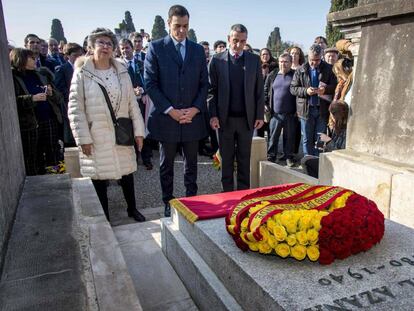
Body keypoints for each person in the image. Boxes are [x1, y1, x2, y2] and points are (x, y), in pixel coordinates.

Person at [68, 28, 146, 222]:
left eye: (109, 43)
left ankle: (132, 209)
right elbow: (75, 109)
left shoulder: (121, 71)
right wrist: (82, 138)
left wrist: (139, 132)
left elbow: (132, 104)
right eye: (100, 43)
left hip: (122, 132)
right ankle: (104, 216)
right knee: (99, 176)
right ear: (91, 47)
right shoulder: (82, 72)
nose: (105, 47)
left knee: (126, 172)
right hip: (96, 134)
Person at [144, 5, 209, 216]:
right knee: (167, 165)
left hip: (192, 118)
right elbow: (150, 83)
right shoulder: (156, 48)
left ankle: (192, 200)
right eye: (177, 26)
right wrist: (170, 110)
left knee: (191, 164)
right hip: (167, 119)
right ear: (168, 23)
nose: (182, 31)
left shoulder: (197, 50)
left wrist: (196, 108)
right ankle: (168, 201)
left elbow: (204, 84)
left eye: (186, 26)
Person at [208, 24, 264, 192]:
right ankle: (227, 193)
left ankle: (243, 193)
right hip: (224, 120)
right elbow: (211, 91)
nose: (238, 45)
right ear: (228, 39)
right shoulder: (217, 60)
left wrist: (259, 115)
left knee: (244, 159)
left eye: (242, 41)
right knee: (226, 159)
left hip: (247, 119)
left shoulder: (254, 60)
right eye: (235, 40)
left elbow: (259, 90)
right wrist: (213, 115)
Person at [10, 48, 63, 175]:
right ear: (21, 59)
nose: (36, 60)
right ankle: (35, 183)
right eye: (32, 58)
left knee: (52, 153)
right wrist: (32, 98)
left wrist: (51, 93)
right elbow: (11, 102)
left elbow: (59, 97)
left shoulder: (41, 74)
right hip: (29, 124)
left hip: (49, 119)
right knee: (32, 156)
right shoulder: (12, 77)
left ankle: (55, 178)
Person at [290, 44, 337, 157]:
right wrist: (306, 91)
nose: (314, 63)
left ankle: (318, 160)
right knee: (307, 137)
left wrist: (325, 90)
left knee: (320, 137)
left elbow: (335, 86)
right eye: (311, 60)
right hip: (306, 110)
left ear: (321, 57)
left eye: (317, 60)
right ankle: (308, 160)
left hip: (322, 109)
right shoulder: (301, 69)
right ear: (307, 57)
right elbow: (293, 88)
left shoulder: (329, 69)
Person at [119, 38, 153, 170]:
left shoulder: (142, 63)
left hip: (143, 102)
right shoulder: (118, 65)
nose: (124, 50)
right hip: (127, 104)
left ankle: (146, 158)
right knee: (129, 131)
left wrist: (143, 90)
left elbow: (149, 80)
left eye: (127, 47)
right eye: (122, 48)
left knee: (144, 129)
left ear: (132, 48)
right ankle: (132, 160)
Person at [302, 100, 349, 178]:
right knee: (306, 159)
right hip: (330, 159)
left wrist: (328, 141)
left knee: (305, 161)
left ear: (337, 115)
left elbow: (340, 153)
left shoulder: (347, 130)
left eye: (331, 114)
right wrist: (324, 145)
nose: (330, 117)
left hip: (337, 164)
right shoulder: (335, 126)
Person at [265, 53, 296, 167]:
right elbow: (265, 91)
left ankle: (288, 157)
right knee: (273, 137)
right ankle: (271, 156)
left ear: (291, 63)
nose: (283, 64)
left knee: (289, 137)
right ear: (278, 62)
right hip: (275, 114)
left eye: (286, 61)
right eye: (281, 61)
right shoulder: (272, 75)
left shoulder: (295, 75)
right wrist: (265, 104)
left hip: (290, 113)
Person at [54, 42, 84, 147]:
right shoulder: (61, 70)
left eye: (81, 55)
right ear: (67, 56)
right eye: (75, 55)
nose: (79, 57)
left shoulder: (85, 68)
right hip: (71, 107)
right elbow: (60, 90)